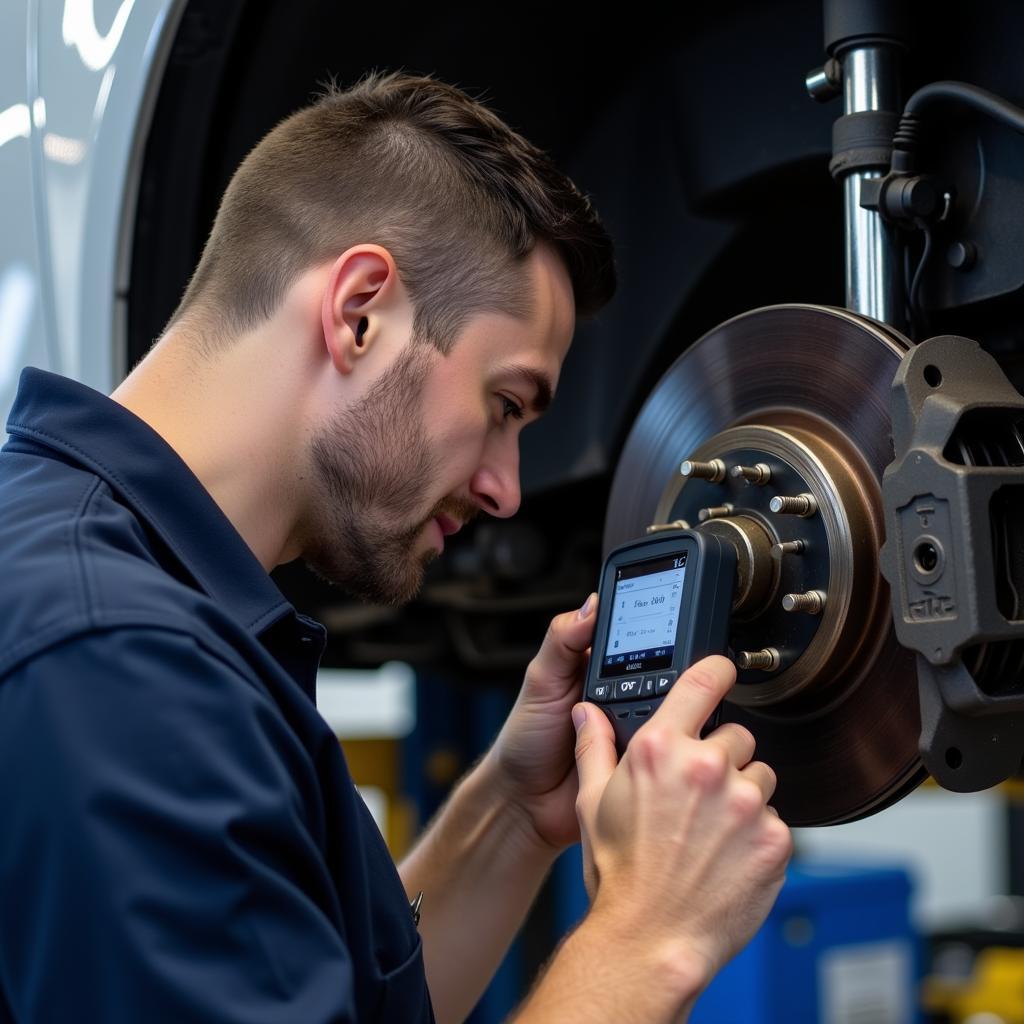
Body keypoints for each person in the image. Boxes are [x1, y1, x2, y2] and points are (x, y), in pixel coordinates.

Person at [0, 71, 791, 1023]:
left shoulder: (100, 592)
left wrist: (508, 812)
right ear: (360, 311)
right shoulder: (118, 665)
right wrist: (648, 938)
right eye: (505, 406)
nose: (505, 488)